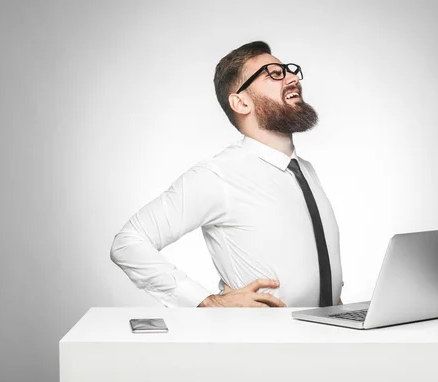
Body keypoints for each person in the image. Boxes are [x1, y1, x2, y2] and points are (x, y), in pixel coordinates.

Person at [110, 41, 344, 308]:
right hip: (265, 344)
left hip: (325, 339)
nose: (292, 78)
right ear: (241, 102)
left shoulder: (306, 171)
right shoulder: (218, 175)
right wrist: (207, 301)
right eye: (274, 73)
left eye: (289, 71)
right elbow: (128, 243)